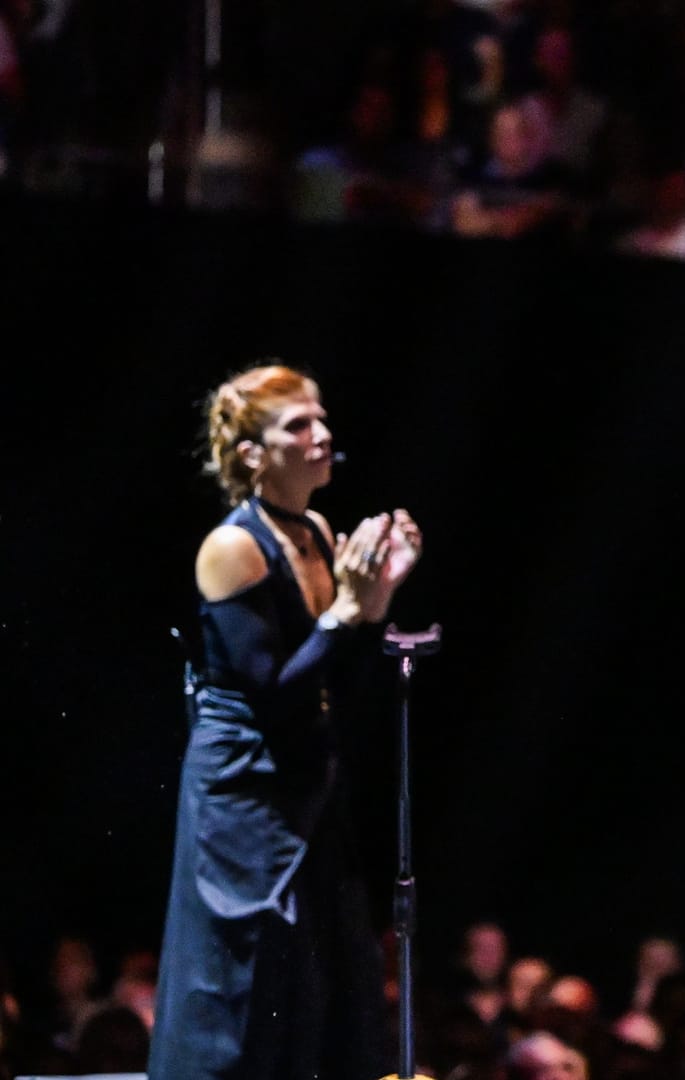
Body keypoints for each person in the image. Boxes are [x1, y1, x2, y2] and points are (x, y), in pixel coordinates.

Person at [149, 364, 423, 1080]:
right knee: (245, 993)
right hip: (245, 793)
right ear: (251, 453)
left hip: (308, 780)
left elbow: (336, 683)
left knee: (323, 988)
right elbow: (273, 697)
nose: (323, 435)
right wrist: (342, 613)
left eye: (322, 419)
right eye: (299, 425)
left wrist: (376, 602)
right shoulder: (232, 549)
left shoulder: (317, 531)